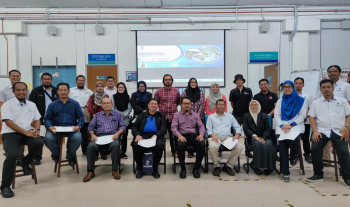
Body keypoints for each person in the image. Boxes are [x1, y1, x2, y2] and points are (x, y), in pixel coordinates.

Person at [0, 82, 43, 198]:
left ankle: (24, 162)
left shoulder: (31, 105)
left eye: (24, 90)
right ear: (13, 92)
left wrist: (37, 129)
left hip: (27, 132)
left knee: (39, 143)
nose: (21, 92)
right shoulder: (7, 105)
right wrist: (26, 133)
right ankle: (4, 186)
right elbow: (8, 122)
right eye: (18, 90)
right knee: (12, 156)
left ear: (27, 91)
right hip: (11, 134)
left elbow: (37, 118)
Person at [307, 79, 350, 187]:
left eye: (328, 87)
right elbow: (311, 117)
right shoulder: (316, 103)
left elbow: (348, 115)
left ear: (333, 88)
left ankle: (347, 176)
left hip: (339, 131)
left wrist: (347, 127)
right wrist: (315, 131)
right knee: (315, 149)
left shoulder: (342, 101)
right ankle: (318, 174)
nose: (326, 89)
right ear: (320, 89)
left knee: (344, 152)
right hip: (322, 131)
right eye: (323, 87)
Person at [83, 98, 126, 182]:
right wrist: (92, 134)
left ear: (112, 104)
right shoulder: (97, 115)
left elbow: (123, 126)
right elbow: (90, 127)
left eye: (108, 103)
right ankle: (90, 171)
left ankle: (115, 170)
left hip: (112, 137)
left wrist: (117, 134)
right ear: (102, 105)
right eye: (104, 103)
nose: (107, 105)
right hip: (99, 137)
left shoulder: (118, 114)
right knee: (90, 146)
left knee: (116, 145)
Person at [44, 83, 84, 167]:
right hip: (56, 128)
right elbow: (47, 119)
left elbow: (81, 117)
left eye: (65, 90)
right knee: (48, 138)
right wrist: (50, 126)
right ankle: (57, 154)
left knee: (78, 138)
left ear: (69, 91)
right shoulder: (52, 105)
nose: (63, 92)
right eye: (61, 90)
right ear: (57, 92)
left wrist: (79, 125)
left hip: (71, 128)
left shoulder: (75, 103)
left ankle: (70, 154)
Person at [274, 80, 307, 182]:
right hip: (282, 126)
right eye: (285, 87)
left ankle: (294, 154)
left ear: (293, 88)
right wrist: (282, 125)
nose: (287, 89)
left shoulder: (301, 100)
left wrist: (291, 125)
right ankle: (285, 172)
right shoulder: (280, 101)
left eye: (289, 87)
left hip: (296, 125)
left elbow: (302, 116)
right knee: (283, 145)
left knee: (293, 139)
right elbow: (276, 116)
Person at [316, 65, 350, 162]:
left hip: (340, 120)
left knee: (342, 147)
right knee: (323, 143)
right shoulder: (323, 86)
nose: (332, 73)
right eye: (330, 71)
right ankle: (326, 160)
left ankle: (342, 165)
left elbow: (348, 102)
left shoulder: (345, 86)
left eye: (335, 71)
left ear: (339, 73)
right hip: (324, 120)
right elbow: (317, 100)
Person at [0, 70, 31, 166]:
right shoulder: (4, 90)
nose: (16, 78)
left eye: (18, 76)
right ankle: (11, 153)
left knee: (21, 133)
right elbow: (1, 104)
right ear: (9, 77)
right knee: (11, 136)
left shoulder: (27, 89)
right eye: (13, 76)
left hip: (23, 117)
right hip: (9, 118)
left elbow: (28, 104)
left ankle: (20, 157)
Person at [206, 99, 243, 177]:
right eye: (219, 104)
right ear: (216, 106)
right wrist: (212, 136)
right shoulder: (211, 117)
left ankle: (228, 166)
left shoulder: (230, 116)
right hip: (215, 137)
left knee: (239, 146)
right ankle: (217, 166)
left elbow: (237, 127)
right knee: (212, 146)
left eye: (222, 104)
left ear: (225, 106)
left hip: (227, 138)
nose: (220, 106)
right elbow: (208, 129)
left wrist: (237, 135)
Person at [171, 97, 206, 179]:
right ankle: (183, 169)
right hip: (182, 135)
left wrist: (201, 135)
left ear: (191, 105)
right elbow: (173, 127)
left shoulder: (195, 115)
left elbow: (201, 126)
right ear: (181, 105)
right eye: (185, 103)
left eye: (188, 104)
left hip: (194, 135)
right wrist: (179, 135)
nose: (187, 105)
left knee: (201, 144)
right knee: (180, 146)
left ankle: (196, 168)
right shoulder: (177, 115)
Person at [132, 98, 167, 179]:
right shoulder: (142, 115)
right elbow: (134, 127)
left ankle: (155, 169)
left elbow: (164, 128)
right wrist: (137, 135)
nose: (153, 105)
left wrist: (157, 135)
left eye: (155, 104)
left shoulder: (161, 116)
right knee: (136, 145)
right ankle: (140, 169)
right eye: (152, 104)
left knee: (159, 145)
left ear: (158, 106)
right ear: (148, 105)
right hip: (142, 136)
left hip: (156, 136)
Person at [29, 73, 58, 165]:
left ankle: (55, 155)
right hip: (40, 119)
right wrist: (33, 119)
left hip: (54, 119)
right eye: (45, 79)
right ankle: (37, 157)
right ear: (41, 80)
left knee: (55, 138)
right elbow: (31, 106)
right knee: (39, 138)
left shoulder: (56, 90)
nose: (47, 80)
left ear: (51, 80)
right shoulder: (36, 91)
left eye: (49, 79)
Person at [242, 100, 276, 175]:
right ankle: (255, 166)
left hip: (265, 137)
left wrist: (263, 138)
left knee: (269, 144)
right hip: (253, 138)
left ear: (259, 106)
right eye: (252, 105)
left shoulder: (264, 116)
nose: (254, 106)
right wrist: (255, 136)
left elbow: (267, 128)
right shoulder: (246, 116)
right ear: (250, 107)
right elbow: (246, 128)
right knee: (258, 144)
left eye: (255, 105)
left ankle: (271, 167)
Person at [154, 74, 180, 157]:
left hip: (173, 116)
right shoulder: (158, 91)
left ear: (172, 81)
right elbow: (156, 103)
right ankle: (159, 152)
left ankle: (175, 151)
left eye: (169, 79)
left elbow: (178, 102)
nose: (167, 81)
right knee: (160, 135)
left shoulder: (176, 91)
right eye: (166, 80)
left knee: (174, 135)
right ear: (163, 81)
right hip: (162, 117)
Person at [229, 74, 253, 158]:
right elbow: (232, 103)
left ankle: (248, 151)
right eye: (237, 80)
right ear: (235, 82)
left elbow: (250, 102)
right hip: (236, 115)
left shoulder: (248, 90)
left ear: (243, 81)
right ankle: (235, 150)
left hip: (247, 114)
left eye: (240, 80)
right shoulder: (233, 91)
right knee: (236, 133)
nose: (239, 81)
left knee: (247, 132)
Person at [181, 78, 205, 158]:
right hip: (187, 116)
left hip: (198, 116)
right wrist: (188, 114)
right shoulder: (185, 92)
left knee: (197, 134)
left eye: (195, 82)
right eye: (192, 82)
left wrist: (196, 116)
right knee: (189, 133)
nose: (193, 83)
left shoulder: (201, 93)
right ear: (189, 83)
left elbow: (202, 105)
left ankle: (198, 150)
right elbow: (183, 104)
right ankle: (190, 152)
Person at [69, 75, 93, 155]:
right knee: (71, 135)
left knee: (85, 135)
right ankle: (70, 152)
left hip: (85, 116)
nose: (81, 82)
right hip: (73, 116)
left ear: (85, 82)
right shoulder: (71, 91)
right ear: (76, 82)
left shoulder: (89, 91)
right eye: (79, 80)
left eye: (83, 80)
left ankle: (85, 150)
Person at [294, 77, 314, 164]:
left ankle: (307, 154)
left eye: (300, 83)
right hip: (294, 121)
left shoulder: (308, 95)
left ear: (303, 85)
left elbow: (311, 107)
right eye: (296, 83)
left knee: (305, 138)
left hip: (305, 120)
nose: (298, 85)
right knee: (294, 138)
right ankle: (296, 154)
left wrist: (306, 115)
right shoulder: (290, 95)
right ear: (294, 84)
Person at [112, 82, 132, 159]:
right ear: (117, 89)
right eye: (119, 87)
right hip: (115, 118)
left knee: (124, 136)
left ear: (125, 89)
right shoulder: (114, 97)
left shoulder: (127, 97)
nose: (121, 89)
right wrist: (119, 115)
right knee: (116, 134)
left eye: (122, 87)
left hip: (125, 118)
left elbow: (129, 108)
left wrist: (124, 115)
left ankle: (123, 152)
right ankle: (116, 151)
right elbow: (112, 107)